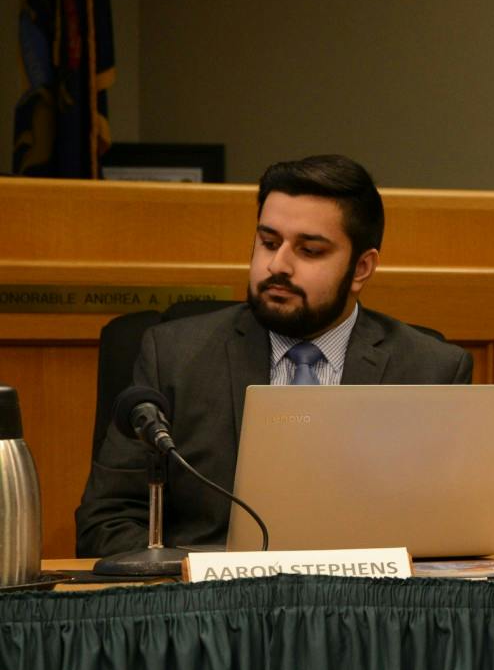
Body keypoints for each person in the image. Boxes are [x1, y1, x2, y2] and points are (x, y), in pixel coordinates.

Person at [75, 155, 473, 555]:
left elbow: (449, 539)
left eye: (310, 251)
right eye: (268, 242)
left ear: (361, 269)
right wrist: (209, 574)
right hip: (211, 607)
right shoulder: (175, 356)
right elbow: (106, 523)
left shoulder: (429, 371)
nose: (277, 265)